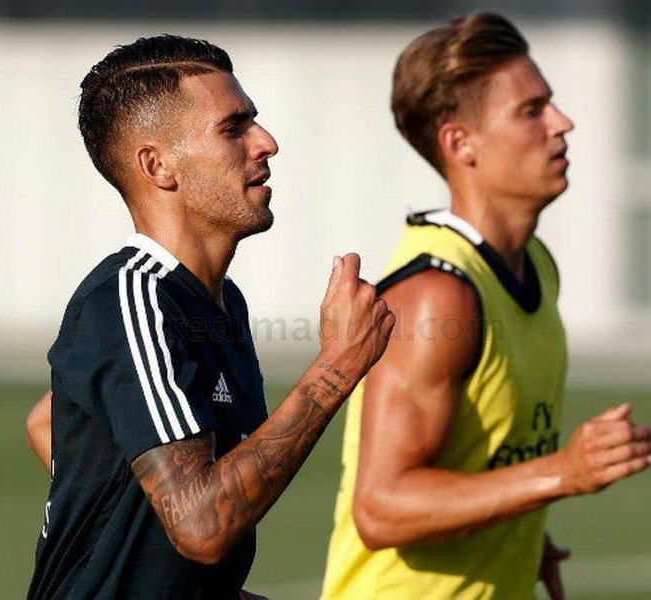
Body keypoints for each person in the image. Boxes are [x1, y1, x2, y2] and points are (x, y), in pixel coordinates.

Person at [25, 34, 394, 600]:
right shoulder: (131, 296)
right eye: (233, 128)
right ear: (158, 166)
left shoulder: (219, 301)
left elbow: (49, 421)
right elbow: (202, 526)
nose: (266, 143)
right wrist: (339, 364)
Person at [321, 13, 651, 600]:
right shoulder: (436, 296)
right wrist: (562, 472)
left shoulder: (536, 265)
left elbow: (486, 461)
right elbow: (382, 507)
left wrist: (520, 539)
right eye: (531, 111)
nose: (563, 123)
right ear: (460, 143)